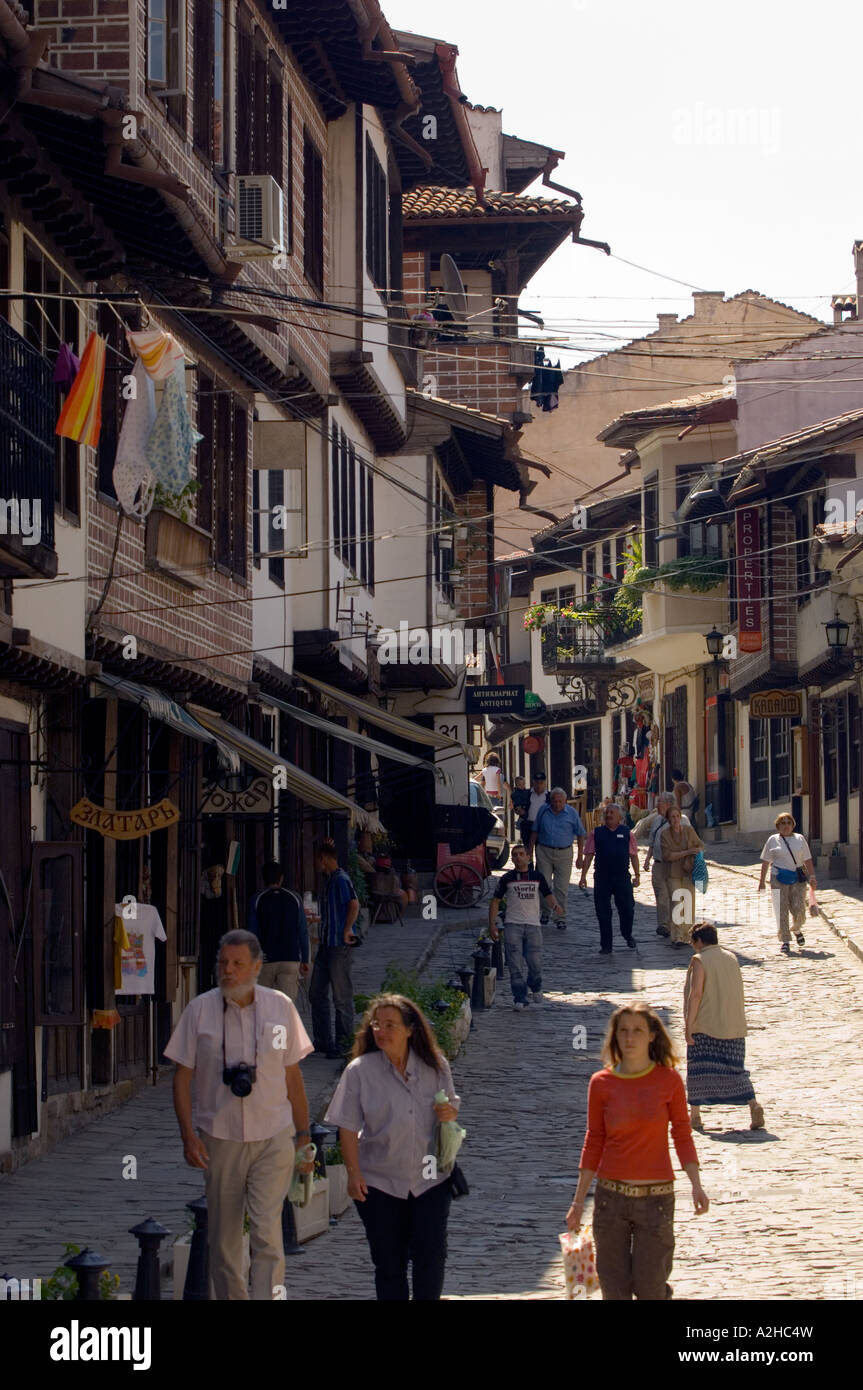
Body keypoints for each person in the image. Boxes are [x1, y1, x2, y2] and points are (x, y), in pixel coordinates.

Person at [164, 929, 315, 1300]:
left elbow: (292, 1075)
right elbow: (181, 1078)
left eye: (237, 964)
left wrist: (304, 1134)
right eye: (223, 963)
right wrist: (188, 1136)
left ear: (256, 967)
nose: (228, 971)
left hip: (273, 1135)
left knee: (267, 1231)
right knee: (224, 1241)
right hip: (221, 1137)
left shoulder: (280, 1006)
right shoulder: (200, 1010)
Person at [566, 1002, 709, 1300]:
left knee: (651, 1289)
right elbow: (594, 1140)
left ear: (652, 1036)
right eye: (624, 1031)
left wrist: (696, 1184)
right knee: (614, 1292)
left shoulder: (668, 1081)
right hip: (610, 1201)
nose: (630, 1038)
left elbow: (681, 1133)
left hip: (656, 1201)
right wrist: (578, 1201)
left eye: (638, 1031)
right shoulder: (601, 1083)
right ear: (615, 1036)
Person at [325, 994, 461, 1301]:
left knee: (431, 1258)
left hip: (430, 1179)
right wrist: (353, 1173)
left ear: (410, 1029)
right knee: (389, 1263)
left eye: (390, 1025)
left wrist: (448, 1113)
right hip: (379, 1181)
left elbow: (451, 1107)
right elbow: (346, 1125)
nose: (382, 1031)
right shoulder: (360, 1071)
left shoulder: (434, 1066)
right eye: (376, 1024)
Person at [684, 925, 764, 1131]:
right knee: (736, 1069)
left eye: (693, 943)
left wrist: (689, 1025)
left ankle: (695, 1116)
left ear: (699, 941)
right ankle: (753, 1104)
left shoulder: (700, 960)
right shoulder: (731, 958)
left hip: (706, 1023)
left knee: (698, 1068)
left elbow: (696, 994)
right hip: (733, 1024)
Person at [488, 843, 561, 1009]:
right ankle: (519, 997)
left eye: (522, 854)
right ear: (512, 859)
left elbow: (548, 895)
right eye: (515, 855)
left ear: (528, 857)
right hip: (513, 925)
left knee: (534, 962)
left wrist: (556, 907)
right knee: (515, 964)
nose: (518, 857)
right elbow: (495, 901)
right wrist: (492, 924)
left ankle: (535, 986)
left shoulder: (537, 877)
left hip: (533, 925)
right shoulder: (507, 879)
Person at [309, 840, 359, 1059]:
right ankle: (323, 1040)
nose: (316, 865)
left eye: (318, 860)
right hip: (326, 944)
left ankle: (344, 1043)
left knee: (341, 996)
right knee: (316, 992)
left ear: (323, 858)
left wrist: (347, 929)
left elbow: (354, 904)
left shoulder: (340, 880)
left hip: (339, 946)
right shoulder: (330, 881)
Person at [579, 802, 640, 953]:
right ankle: (606, 945)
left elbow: (634, 856)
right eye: (607, 813)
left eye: (612, 813)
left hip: (622, 878)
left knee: (627, 908)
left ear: (620, 817)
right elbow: (589, 855)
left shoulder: (627, 833)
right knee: (602, 912)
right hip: (602, 878)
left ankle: (627, 934)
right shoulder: (596, 833)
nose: (609, 815)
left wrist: (637, 875)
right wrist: (583, 876)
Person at [247, 860, 310, 1002]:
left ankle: (268, 1025)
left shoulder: (256, 899)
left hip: (265, 960)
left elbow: (252, 933)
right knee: (286, 1007)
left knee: (264, 1006)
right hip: (290, 958)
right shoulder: (295, 898)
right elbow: (303, 931)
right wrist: (305, 959)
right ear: (281, 877)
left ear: (263, 879)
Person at [757, 812, 816, 955]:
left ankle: (796, 929)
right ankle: (785, 940)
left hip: (797, 877)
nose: (786, 826)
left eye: (788, 823)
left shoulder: (800, 839)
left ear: (793, 825)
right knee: (781, 909)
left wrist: (812, 876)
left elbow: (807, 859)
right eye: (782, 823)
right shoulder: (772, 840)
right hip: (778, 878)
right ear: (778, 826)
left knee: (799, 908)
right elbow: (766, 862)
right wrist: (762, 882)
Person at [530, 786, 586, 930]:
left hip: (564, 853)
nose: (557, 804)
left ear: (565, 801)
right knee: (544, 884)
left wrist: (580, 856)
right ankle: (546, 912)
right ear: (551, 801)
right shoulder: (543, 811)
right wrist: (529, 851)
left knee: (561, 887)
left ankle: (560, 917)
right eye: (554, 801)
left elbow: (580, 834)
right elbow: (534, 831)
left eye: (560, 801)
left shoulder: (572, 813)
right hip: (544, 851)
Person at [639, 793, 691, 939]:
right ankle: (664, 925)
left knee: (676, 895)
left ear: (669, 805)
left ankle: (677, 926)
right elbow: (652, 841)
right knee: (661, 894)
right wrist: (647, 859)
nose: (657, 806)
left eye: (660, 803)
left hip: (676, 864)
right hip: (659, 863)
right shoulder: (657, 820)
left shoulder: (683, 820)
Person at [660, 804, 704, 948]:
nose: (675, 819)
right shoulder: (664, 834)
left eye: (677, 816)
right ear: (668, 819)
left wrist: (695, 852)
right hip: (673, 873)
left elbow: (700, 846)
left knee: (688, 903)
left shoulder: (689, 830)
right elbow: (668, 855)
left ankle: (688, 935)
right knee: (677, 903)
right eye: (672, 817)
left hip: (688, 871)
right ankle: (677, 936)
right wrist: (687, 852)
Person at [509, 774, 531, 840]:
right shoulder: (515, 794)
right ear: (516, 785)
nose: (522, 786)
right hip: (524, 817)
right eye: (520, 785)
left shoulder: (527, 792)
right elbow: (518, 808)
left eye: (523, 784)